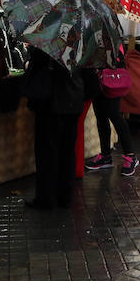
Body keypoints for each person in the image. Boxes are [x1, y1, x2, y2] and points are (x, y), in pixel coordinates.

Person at [22, 46, 86, 209]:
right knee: (67, 150)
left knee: (47, 152)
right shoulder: (82, 37)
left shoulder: (47, 39)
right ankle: (65, 196)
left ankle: (46, 198)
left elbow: (38, 62)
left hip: (51, 102)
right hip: (74, 99)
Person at [84, 48, 139, 176]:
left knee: (115, 116)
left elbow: (116, 54)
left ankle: (130, 155)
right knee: (101, 117)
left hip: (110, 77)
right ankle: (105, 156)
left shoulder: (110, 31)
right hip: (96, 79)